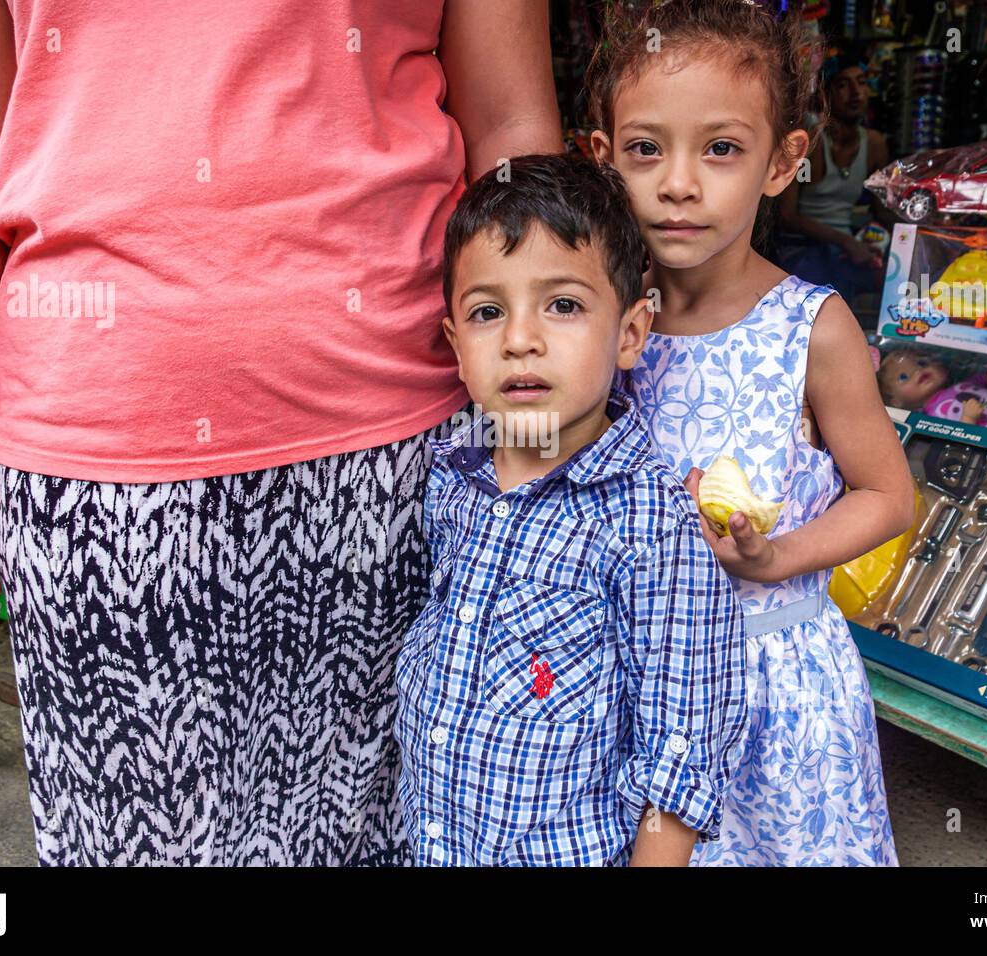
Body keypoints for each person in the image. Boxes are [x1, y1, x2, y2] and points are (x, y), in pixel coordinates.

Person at [0, 0, 562, 865]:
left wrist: (546, 413)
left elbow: (507, 121)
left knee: (398, 837)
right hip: (100, 470)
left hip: (408, 447)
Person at [589, 0, 914, 865]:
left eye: (722, 148)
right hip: (639, 689)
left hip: (775, 691)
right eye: (645, 148)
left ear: (783, 162)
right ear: (603, 157)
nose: (679, 182)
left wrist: (777, 556)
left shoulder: (812, 328)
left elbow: (889, 495)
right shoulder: (603, 333)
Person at [395, 154, 747, 866]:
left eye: (563, 305)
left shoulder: (648, 523)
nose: (521, 339)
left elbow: (678, 755)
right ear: (458, 348)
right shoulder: (449, 478)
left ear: (630, 333)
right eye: (488, 312)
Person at [776, 46, 892, 306]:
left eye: (861, 83)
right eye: (843, 85)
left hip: (845, 249)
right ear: (825, 95)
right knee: (825, 277)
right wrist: (845, 241)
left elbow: (880, 211)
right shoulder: (810, 140)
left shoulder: (874, 144)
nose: (856, 93)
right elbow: (786, 216)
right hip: (802, 248)